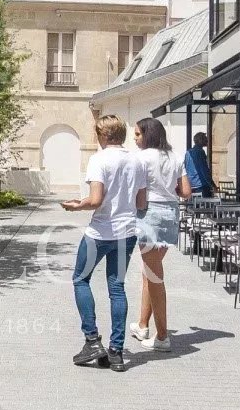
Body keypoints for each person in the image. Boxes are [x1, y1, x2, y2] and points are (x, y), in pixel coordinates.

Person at [62, 114, 149, 371]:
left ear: (103, 135)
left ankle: (92, 340)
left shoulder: (98, 160)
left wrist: (76, 205)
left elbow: (96, 199)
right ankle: (116, 352)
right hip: (127, 232)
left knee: (80, 279)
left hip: (100, 233)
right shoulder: (136, 161)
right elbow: (141, 203)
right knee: (117, 288)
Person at [130, 117, 189, 352]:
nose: (135, 139)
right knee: (150, 271)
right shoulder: (175, 157)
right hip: (171, 213)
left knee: (154, 275)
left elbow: (140, 195)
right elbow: (186, 191)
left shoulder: (142, 158)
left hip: (149, 213)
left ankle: (163, 336)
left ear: (148, 135)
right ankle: (142, 325)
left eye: (137, 134)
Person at [183, 132, 213, 198]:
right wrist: (211, 184)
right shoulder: (200, 152)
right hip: (201, 185)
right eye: (205, 138)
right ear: (200, 140)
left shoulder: (188, 153)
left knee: (192, 203)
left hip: (191, 185)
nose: (207, 140)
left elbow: (185, 168)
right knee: (206, 203)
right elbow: (204, 170)